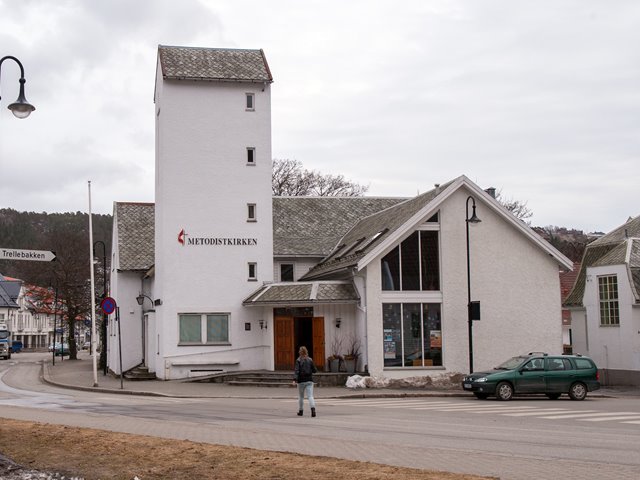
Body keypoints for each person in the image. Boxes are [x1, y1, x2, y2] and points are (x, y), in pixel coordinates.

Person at [293, 346, 318, 417]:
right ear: (306, 352)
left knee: (301, 397)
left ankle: (301, 411)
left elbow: (296, 371)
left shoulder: (298, 360)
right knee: (310, 396)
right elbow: (315, 370)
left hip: (301, 381)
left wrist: (294, 379)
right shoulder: (310, 360)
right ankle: (313, 410)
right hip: (309, 380)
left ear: (300, 352)